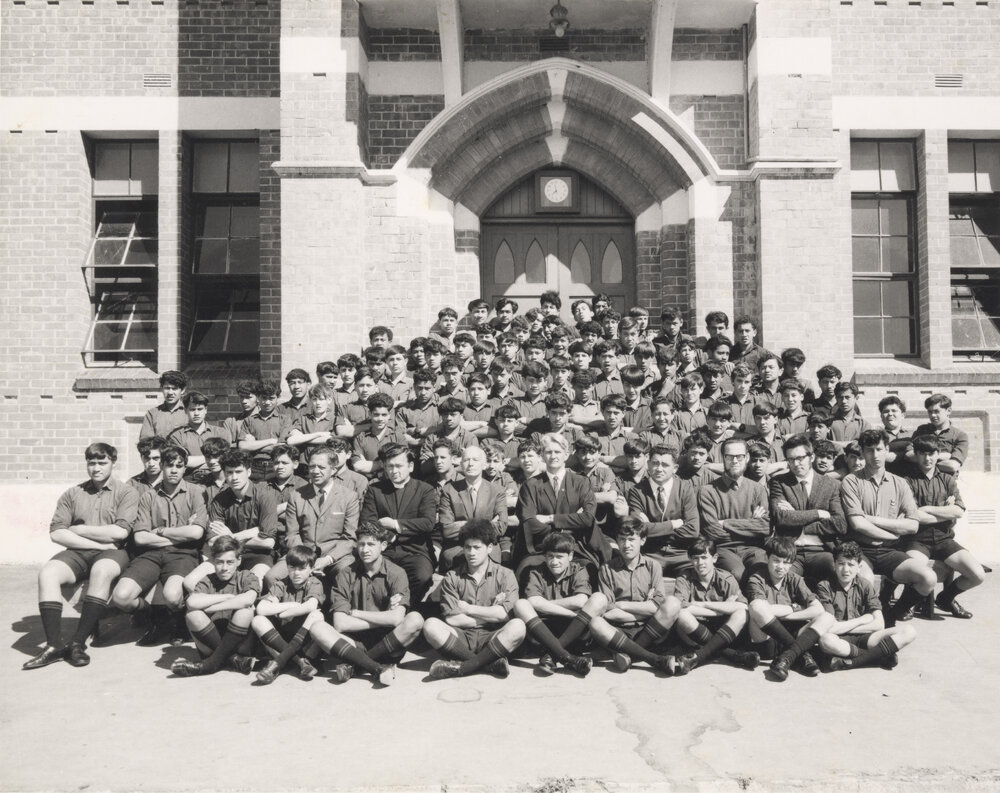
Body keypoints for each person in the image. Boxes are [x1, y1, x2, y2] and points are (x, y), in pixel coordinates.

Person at [24, 443, 139, 670]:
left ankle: (77, 643)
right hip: (78, 551)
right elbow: (57, 532)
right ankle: (54, 645)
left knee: (101, 571)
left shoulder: (126, 492)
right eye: (91, 462)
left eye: (102, 462)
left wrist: (79, 529)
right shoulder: (73, 493)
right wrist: (96, 542)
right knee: (47, 573)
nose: (96, 468)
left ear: (113, 463)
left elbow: (120, 532)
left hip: (114, 553)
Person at [111, 446, 207, 646]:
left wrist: (161, 531)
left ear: (184, 468)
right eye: (169, 465)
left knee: (172, 596)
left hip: (183, 554)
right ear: (161, 466)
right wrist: (182, 533)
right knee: (121, 597)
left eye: (179, 466)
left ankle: (180, 624)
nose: (174, 470)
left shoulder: (196, 492)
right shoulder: (149, 496)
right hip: (151, 554)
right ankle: (157, 619)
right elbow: (141, 538)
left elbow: (197, 533)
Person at [840, 429, 934, 627]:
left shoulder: (900, 483)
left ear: (887, 450)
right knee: (865, 584)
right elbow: (858, 524)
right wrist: (894, 534)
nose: (875, 455)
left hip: (889, 551)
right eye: (870, 450)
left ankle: (893, 614)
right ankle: (868, 632)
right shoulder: (851, 481)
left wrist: (874, 520)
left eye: (879, 449)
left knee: (927, 578)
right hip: (860, 549)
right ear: (863, 453)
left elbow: (913, 525)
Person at [424, 519, 526, 680]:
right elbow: (453, 619)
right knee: (430, 625)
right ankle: (488, 664)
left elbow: (505, 615)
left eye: (477, 547)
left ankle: (464, 666)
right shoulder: (452, 576)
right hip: (462, 636)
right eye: (467, 547)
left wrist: (468, 609)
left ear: (490, 548)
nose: (471, 553)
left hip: (493, 636)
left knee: (518, 626)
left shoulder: (506, 574)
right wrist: (490, 616)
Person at [902, 435, 985, 618]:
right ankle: (910, 603)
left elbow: (959, 511)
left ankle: (946, 598)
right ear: (916, 455)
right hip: (917, 540)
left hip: (944, 538)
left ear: (938, 454)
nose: (927, 458)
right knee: (915, 570)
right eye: (922, 453)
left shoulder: (947, 480)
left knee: (977, 574)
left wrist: (929, 510)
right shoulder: (907, 481)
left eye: (932, 453)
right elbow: (913, 515)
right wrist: (944, 511)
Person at [586, 518, 679, 674]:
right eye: (622, 539)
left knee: (673, 603)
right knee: (596, 623)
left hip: (648, 629)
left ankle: (628, 654)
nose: (626, 545)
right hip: (618, 630)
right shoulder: (607, 569)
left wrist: (622, 605)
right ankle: (653, 659)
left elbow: (657, 605)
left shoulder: (653, 566)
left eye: (631, 539)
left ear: (642, 540)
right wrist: (644, 610)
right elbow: (608, 611)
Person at [515, 433, 609, 580]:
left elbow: (587, 518)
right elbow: (529, 522)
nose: (553, 456)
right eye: (548, 452)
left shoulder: (580, 482)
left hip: (575, 549)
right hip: (542, 550)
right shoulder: (530, 485)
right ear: (542, 456)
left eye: (557, 452)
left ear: (566, 455)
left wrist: (551, 518)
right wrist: (571, 523)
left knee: (590, 571)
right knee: (525, 571)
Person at [512, 531, 604, 676]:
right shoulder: (536, 572)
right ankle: (569, 658)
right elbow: (533, 601)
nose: (554, 562)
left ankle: (552, 655)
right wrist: (569, 612)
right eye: (550, 556)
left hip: (573, 629)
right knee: (520, 604)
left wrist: (545, 604)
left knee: (599, 598)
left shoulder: (579, 570)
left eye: (560, 557)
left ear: (571, 556)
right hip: (545, 630)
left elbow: (581, 600)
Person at [815, 541, 917, 671]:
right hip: (839, 638)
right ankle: (879, 656)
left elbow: (879, 624)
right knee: (826, 640)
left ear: (859, 567)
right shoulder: (824, 586)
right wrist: (862, 620)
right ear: (834, 564)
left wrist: (845, 626)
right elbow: (830, 628)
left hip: (865, 637)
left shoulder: (865, 585)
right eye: (841, 563)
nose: (845, 569)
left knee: (909, 631)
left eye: (851, 564)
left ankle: (852, 662)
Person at [746, 536, 834, 681]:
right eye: (776, 561)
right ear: (767, 558)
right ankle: (801, 654)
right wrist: (794, 608)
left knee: (827, 617)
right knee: (756, 606)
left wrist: (785, 613)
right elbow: (759, 608)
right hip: (766, 638)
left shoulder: (795, 578)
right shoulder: (757, 579)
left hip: (793, 634)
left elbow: (817, 609)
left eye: (786, 563)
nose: (781, 567)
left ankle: (787, 657)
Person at [360, 444, 438, 605]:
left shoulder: (425, 490)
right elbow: (368, 522)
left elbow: (427, 523)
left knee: (422, 576)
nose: (394, 471)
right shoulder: (375, 490)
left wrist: (395, 524)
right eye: (390, 466)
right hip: (384, 549)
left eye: (399, 466)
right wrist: (390, 538)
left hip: (415, 550)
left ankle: (406, 608)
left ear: (410, 466)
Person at [171, 536, 259, 676]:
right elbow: (191, 602)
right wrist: (228, 597)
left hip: (239, 642)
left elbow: (248, 599)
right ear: (213, 561)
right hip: (210, 641)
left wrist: (212, 607)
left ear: (239, 561)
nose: (224, 568)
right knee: (193, 614)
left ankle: (210, 665)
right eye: (219, 562)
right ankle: (233, 660)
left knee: (245, 612)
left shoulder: (246, 576)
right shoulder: (207, 580)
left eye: (230, 562)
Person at [275, 447, 360, 587]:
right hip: (301, 553)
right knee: (272, 577)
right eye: (312, 466)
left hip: (335, 556)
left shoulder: (349, 497)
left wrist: (327, 559)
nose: (315, 471)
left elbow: (349, 538)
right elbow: (292, 534)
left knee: (346, 573)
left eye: (321, 467)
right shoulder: (296, 496)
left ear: (333, 470)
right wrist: (305, 562)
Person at [672, 539, 758, 675]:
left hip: (722, 627)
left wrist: (704, 604)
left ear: (714, 558)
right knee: (681, 615)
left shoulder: (726, 578)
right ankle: (732, 654)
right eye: (695, 558)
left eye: (704, 557)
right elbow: (680, 606)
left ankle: (699, 656)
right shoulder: (684, 577)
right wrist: (720, 610)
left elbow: (743, 605)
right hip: (696, 630)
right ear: (689, 559)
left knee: (742, 614)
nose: (700, 563)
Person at [768, 434, 846, 586]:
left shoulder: (831, 485)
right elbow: (782, 518)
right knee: (783, 580)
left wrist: (799, 519)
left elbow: (840, 524)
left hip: (821, 550)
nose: (796, 463)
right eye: (791, 459)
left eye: (800, 458)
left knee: (834, 572)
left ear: (811, 457)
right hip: (789, 550)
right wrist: (818, 514)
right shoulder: (779, 483)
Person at [697, 437, 770, 584]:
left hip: (754, 548)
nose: (735, 461)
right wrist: (750, 524)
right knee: (738, 574)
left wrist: (726, 523)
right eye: (729, 456)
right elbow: (712, 531)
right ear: (723, 458)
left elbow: (765, 527)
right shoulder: (707, 491)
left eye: (740, 456)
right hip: (724, 549)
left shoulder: (757, 489)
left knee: (761, 573)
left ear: (747, 457)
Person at [250, 545, 325, 684]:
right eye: (292, 568)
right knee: (258, 620)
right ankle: (300, 663)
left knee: (317, 616)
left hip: (305, 642)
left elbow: (310, 605)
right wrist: (292, 605)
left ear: (311, 569)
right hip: (281, 641)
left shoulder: (314, 583)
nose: (296, 573)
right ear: (287, 567)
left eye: (302, 569)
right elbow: (261, 609)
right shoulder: (281, 584)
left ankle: (278, 664)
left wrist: (280, 613)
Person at [206, 449, 280, 583]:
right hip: (225, 554)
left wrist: (232, 536)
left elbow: (268, 542)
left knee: (253, 583)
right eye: (229, 472)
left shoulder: (265, 496)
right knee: (191, 581)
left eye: (239, 472)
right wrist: (252, 532)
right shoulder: (219, 499)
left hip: (258, 555)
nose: (234, 477)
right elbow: (212, 541)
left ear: (249, 472)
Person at [626, 443, 700, 575]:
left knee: (695, 577)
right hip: (650, 553)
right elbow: (638, 530)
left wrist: (652, 530)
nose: (659, 469)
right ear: (648, 465)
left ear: (675, 468)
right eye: (655, 463)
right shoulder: (636, 491)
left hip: (681, 553)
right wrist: (673, 524)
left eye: (665, 465)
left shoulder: (685, 488)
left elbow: (693, 530)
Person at [437, 446, 508, 571]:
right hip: (457, 549)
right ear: (461, 464)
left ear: (484, 464)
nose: (470, 464)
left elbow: (501, 527)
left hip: (487, 549)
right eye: (466, 460)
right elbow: (447, 529)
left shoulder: (497, 491)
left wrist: (462, 525)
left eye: (475, 460)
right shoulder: (449, 490)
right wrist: (487, 524)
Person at [167, 391, 226, 483]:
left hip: (217, 479)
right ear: (185, 410)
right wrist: (213, 458)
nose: (196, 413)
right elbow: (181, 462)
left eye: (200, 409)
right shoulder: (177, 436)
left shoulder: (220, 433)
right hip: (190, 481)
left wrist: (193, 460)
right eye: (192, 409)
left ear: (206, 410)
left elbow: (226, 459)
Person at [238, 380, 290, 481]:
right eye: (264, 398)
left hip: (276, 465)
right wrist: (272, 441)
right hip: (253, 466)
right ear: (258, 398)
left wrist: (253, 445)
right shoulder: (249, 420)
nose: (267, 402)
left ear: (277, 398)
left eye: (271, 398)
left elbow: (282, 448)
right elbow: (242, 447)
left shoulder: (284, 420)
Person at [913, 394, 969, 475]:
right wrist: (944, 456)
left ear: (948, 411)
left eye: (936, 411)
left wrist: (924, 460)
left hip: (945, 482)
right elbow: (908, 455)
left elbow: (953, 466)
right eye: (930, 412)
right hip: (920, 480)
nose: (932, 415)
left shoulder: (960, 436)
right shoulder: (921, 431)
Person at [140, 370, 189, 440]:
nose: (170, 392)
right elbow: (145, 441)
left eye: (174, 388)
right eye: (167, 388)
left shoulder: (189, 412)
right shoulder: (152, 414)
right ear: (161, 389)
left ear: (182, 390)